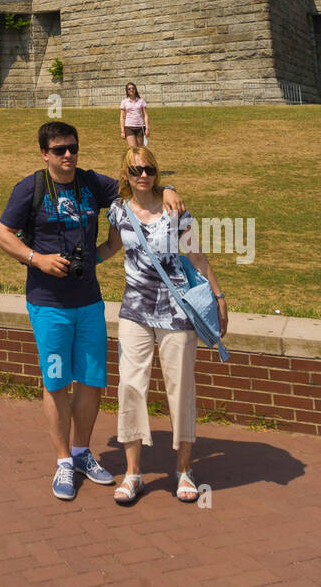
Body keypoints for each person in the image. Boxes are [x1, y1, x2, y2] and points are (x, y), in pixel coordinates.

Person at [0, 122, 186, 501]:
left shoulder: (90, 184)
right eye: (60, 149)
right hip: (48, 303)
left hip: (88, 301)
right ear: (45, 154)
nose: (68, 155)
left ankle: (82, 451)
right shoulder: (29, 188)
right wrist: (38, 260)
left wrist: (169, 189)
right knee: (56, 382)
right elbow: (2, 234)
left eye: (74, 148)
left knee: (93, 380)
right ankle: (63, 460)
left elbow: (137, 183)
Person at [97, 147, 227, 504]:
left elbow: (196, 255)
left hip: (176, 312)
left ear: (156, 173)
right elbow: (110, 247)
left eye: (150, 169)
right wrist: (79, 261)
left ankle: (184, 470)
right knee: (131, 388)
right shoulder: (119, 212)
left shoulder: (175, 209)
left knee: (181, 389)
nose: (143, 175)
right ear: (125, 174)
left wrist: (218, 295)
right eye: (136, 170)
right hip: (135, 312)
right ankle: (133, 473)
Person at [120, 82, 149, 149]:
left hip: (140, 128)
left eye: (133, 88)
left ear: (135, 89)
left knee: (140, 149)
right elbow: (122, 117)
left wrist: (147, 128)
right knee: (133, 149)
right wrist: (122, 131)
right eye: (129, 89)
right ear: (127, 91)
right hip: (129, 127)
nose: (131, 90)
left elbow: (146, 115)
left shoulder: (141, 101)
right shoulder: (124, 102)